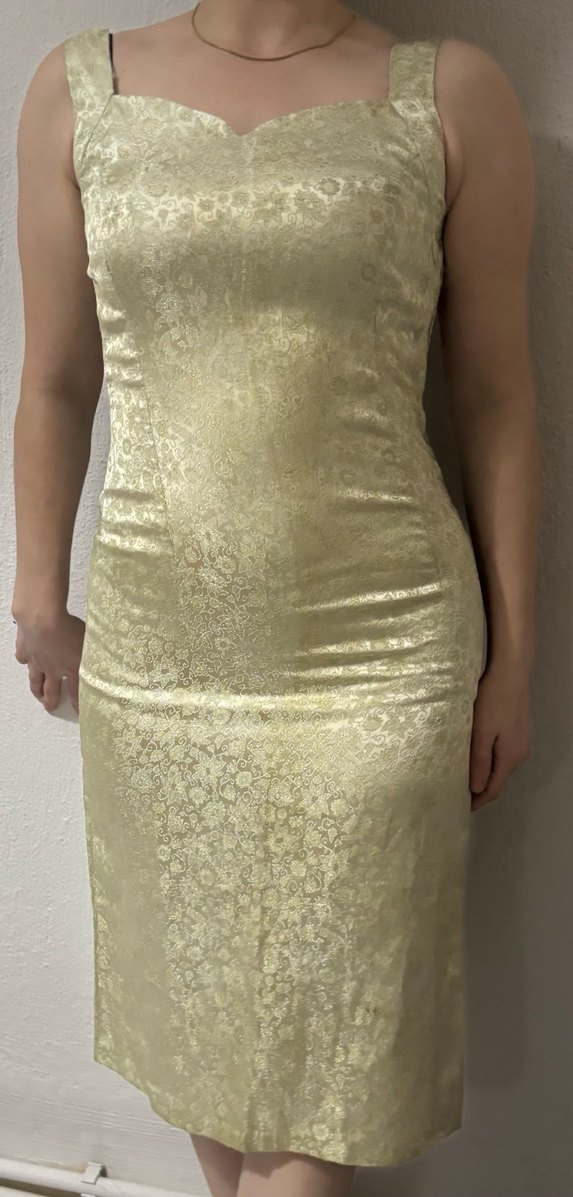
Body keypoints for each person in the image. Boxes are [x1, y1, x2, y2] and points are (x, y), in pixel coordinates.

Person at [11, 2, 539, 1195]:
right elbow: (55, 379)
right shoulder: (76, 91)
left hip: (381, 649)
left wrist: (514, 658)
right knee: (207, 1045)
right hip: (160, 656)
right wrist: (38, 588)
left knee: (325, 1073)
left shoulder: (453, 94)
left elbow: (498, 398)